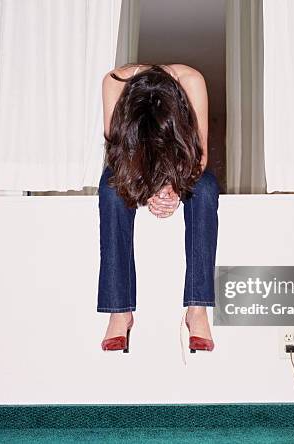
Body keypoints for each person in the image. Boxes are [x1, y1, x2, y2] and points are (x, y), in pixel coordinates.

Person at [98, 63, 219, 354]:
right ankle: (120, 310)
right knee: (111, 190)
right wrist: (148, 187)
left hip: (181, 162)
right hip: (132, 162)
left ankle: (197, 307)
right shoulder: (113, 84)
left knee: (205, 189)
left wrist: (174, 186)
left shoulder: (193, 81)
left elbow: (198, 154)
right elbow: (117, 154)